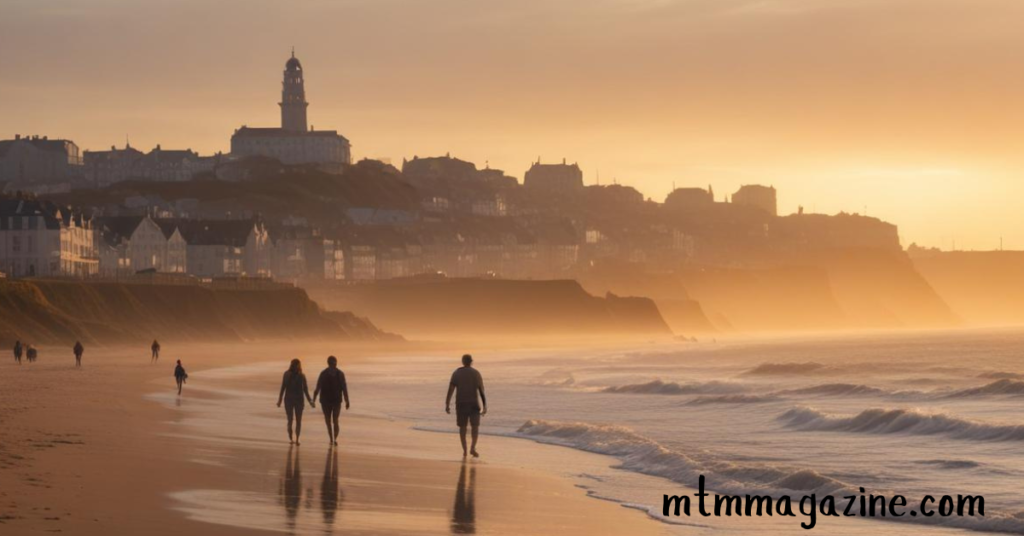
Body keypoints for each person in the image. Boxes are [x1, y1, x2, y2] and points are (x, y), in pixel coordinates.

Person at [446, 354, 487, 458]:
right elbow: (481, 391)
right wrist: (485, 406)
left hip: (461, 404)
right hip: (474, 404)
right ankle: (473, 448)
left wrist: (447, 403)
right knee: (475, 427)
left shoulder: (456, 373)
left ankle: (464, 450)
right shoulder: (476, 373)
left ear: (463, 361)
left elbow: (451, 389)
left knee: (463, 428)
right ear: (471, 361)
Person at [313, 356, 349, 447]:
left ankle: (335, 438)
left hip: (336, 401)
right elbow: (318, 387)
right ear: (329, 363)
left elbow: (344, 388)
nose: (334, 365)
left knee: (335, 420)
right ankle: (331, 439)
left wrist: (347, 400)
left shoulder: (340, 374)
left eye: (334, 363)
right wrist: (313, 399)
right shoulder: (324, 373)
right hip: (325, 401)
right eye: (332, 363)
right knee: (328, 421)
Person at [277, 359, 314, 445]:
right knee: (296, 421)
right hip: (296, 400)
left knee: (292, 420)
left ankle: (293, 438)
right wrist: (310, 401)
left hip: (292, 400)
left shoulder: (288, 374)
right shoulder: (300, 376)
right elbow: (305, 390)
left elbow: (283, 388)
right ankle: (295, 439)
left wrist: (279, 400)